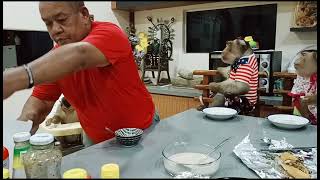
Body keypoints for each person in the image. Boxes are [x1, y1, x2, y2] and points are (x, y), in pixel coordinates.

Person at [3, 1, 157, 145]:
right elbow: (41, 100)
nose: (55, 30)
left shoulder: (109, 34)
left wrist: (15, 78)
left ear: (84, 15)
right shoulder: (57, 61)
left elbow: (80, 54)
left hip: (141, 133)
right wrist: (22, 126)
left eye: (62, 19)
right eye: (48, 23)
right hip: (97, 142)